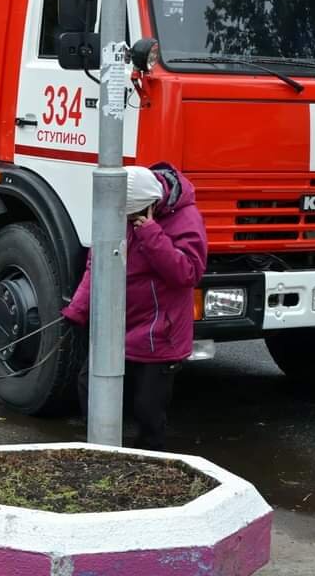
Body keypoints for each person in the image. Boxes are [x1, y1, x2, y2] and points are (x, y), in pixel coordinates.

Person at [62, 162, 208, 451]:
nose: (122, 220)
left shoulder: (186, 219)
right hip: (117, 326)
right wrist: (77, 310)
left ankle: (150, 461)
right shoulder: (118, 215)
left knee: (148, 409)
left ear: (147, 207)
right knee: (89, 386)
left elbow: (188, 273)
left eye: (128, 216)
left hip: (158, 334)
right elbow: (97, 265)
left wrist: (151, 234)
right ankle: (100, 451)